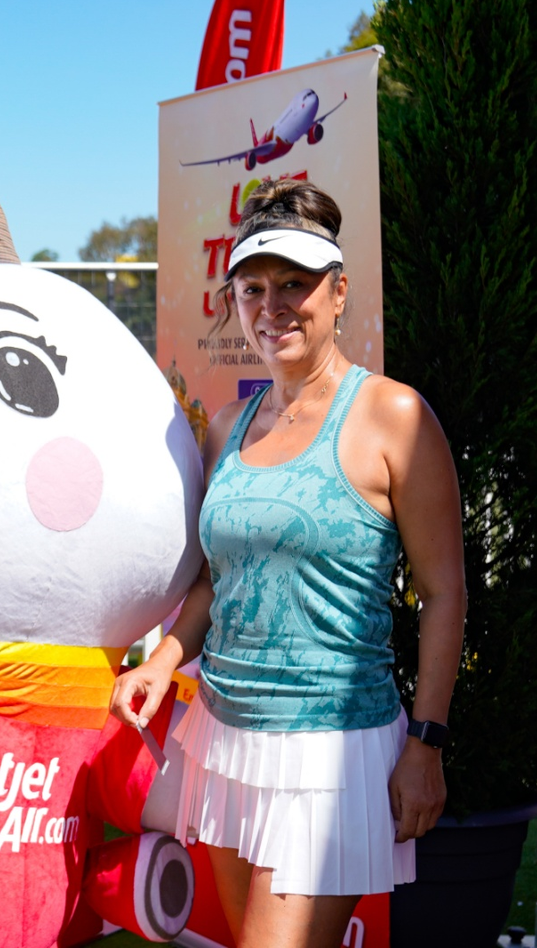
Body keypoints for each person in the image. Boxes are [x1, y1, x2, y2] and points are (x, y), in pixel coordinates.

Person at [111, 179, 466, 948]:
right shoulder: (228, 430)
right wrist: (164, 657)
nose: (273, 306)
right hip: (227, 736)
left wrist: (426, 743)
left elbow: (443, 593)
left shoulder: (394, 416)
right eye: (254, 288)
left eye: (295, 285)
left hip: (331, 754)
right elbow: (217, 580)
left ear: (339, 292)